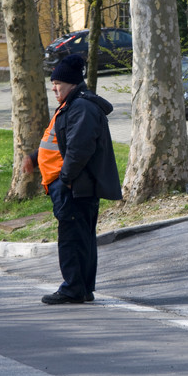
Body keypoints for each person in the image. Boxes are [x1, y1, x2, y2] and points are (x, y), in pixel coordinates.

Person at [22, 54, 122, 305]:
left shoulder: (81, 108)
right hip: (69, 185)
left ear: (73, 84)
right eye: (53, 83)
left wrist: (64, 180)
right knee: (80, 237)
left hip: (74, 186)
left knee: (72, 238)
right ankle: (82, 288)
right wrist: (35, 158)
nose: (54, 88)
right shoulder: (71, 105)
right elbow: (59, 141)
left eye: (59, 84)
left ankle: (73, 288)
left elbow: (79, 150)